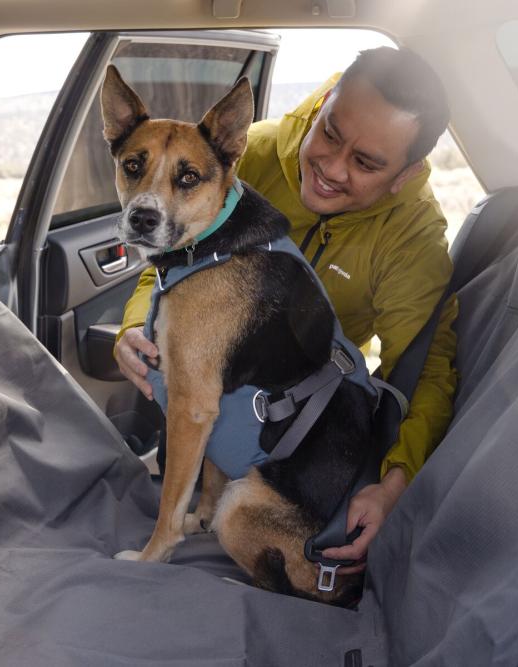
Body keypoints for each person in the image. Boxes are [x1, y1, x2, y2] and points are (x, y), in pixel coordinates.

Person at [114, 46, 458, 571]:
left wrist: (394, 483)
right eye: (331, 134)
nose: (331, 168)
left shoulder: (414, 240)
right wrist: (134, 327)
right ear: (323, 102)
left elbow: (425, 373)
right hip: (219, 402)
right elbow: (166, 261)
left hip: (301, 418)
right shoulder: (240, 155)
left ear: (406, 174)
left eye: (365, 163)